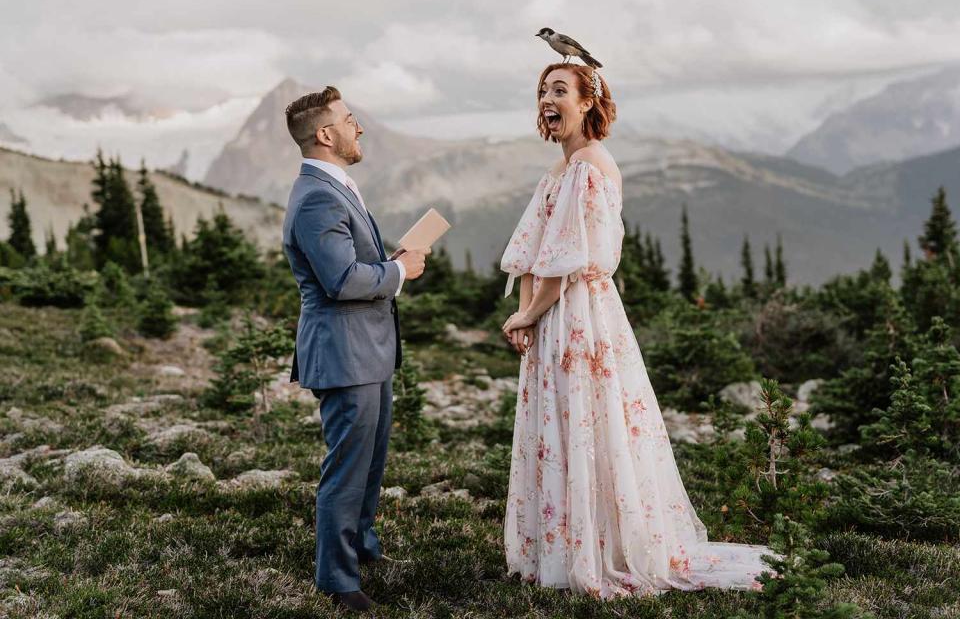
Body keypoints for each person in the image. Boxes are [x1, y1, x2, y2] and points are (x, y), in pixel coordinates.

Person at [499, 63, 778, 598]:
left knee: (590, 424)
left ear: (587, 103)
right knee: (570, 424)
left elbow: (569, 261)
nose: (547, 99)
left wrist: (527, 314)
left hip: (580, 315)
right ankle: (571, 544)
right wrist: (528, 313)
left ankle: (603, 550)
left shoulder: (588, 167)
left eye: (560, 90)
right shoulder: (558, 171)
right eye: (542, 91)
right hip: (556, 317)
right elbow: (535, 254)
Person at [281, 86, 430, 612]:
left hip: (368, 350)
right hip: (345, 353)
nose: (358, 126)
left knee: (369, 463)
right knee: (346, 469)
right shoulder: (318, 195)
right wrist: (398, 271)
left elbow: (347, 262)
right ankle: (337, 580)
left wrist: (390, 263)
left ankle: (362, 547)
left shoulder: (334, 186)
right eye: (349, 119)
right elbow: (341, 281)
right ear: (326, 135)